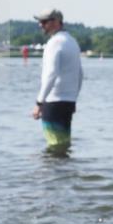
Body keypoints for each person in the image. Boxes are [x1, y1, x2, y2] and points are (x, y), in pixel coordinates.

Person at [30, 9, 83, 154]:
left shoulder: (54, 43)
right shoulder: (72, 41)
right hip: (68, 102)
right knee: (63, 144)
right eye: (40, 22)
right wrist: (74, 99)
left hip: (53, 102)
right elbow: (80, 74)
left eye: (44, 22)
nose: (41, 25)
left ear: (56, 22)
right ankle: (65, 175)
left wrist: (39, 103)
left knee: (54, 146)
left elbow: (51, 74)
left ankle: (54, 176)